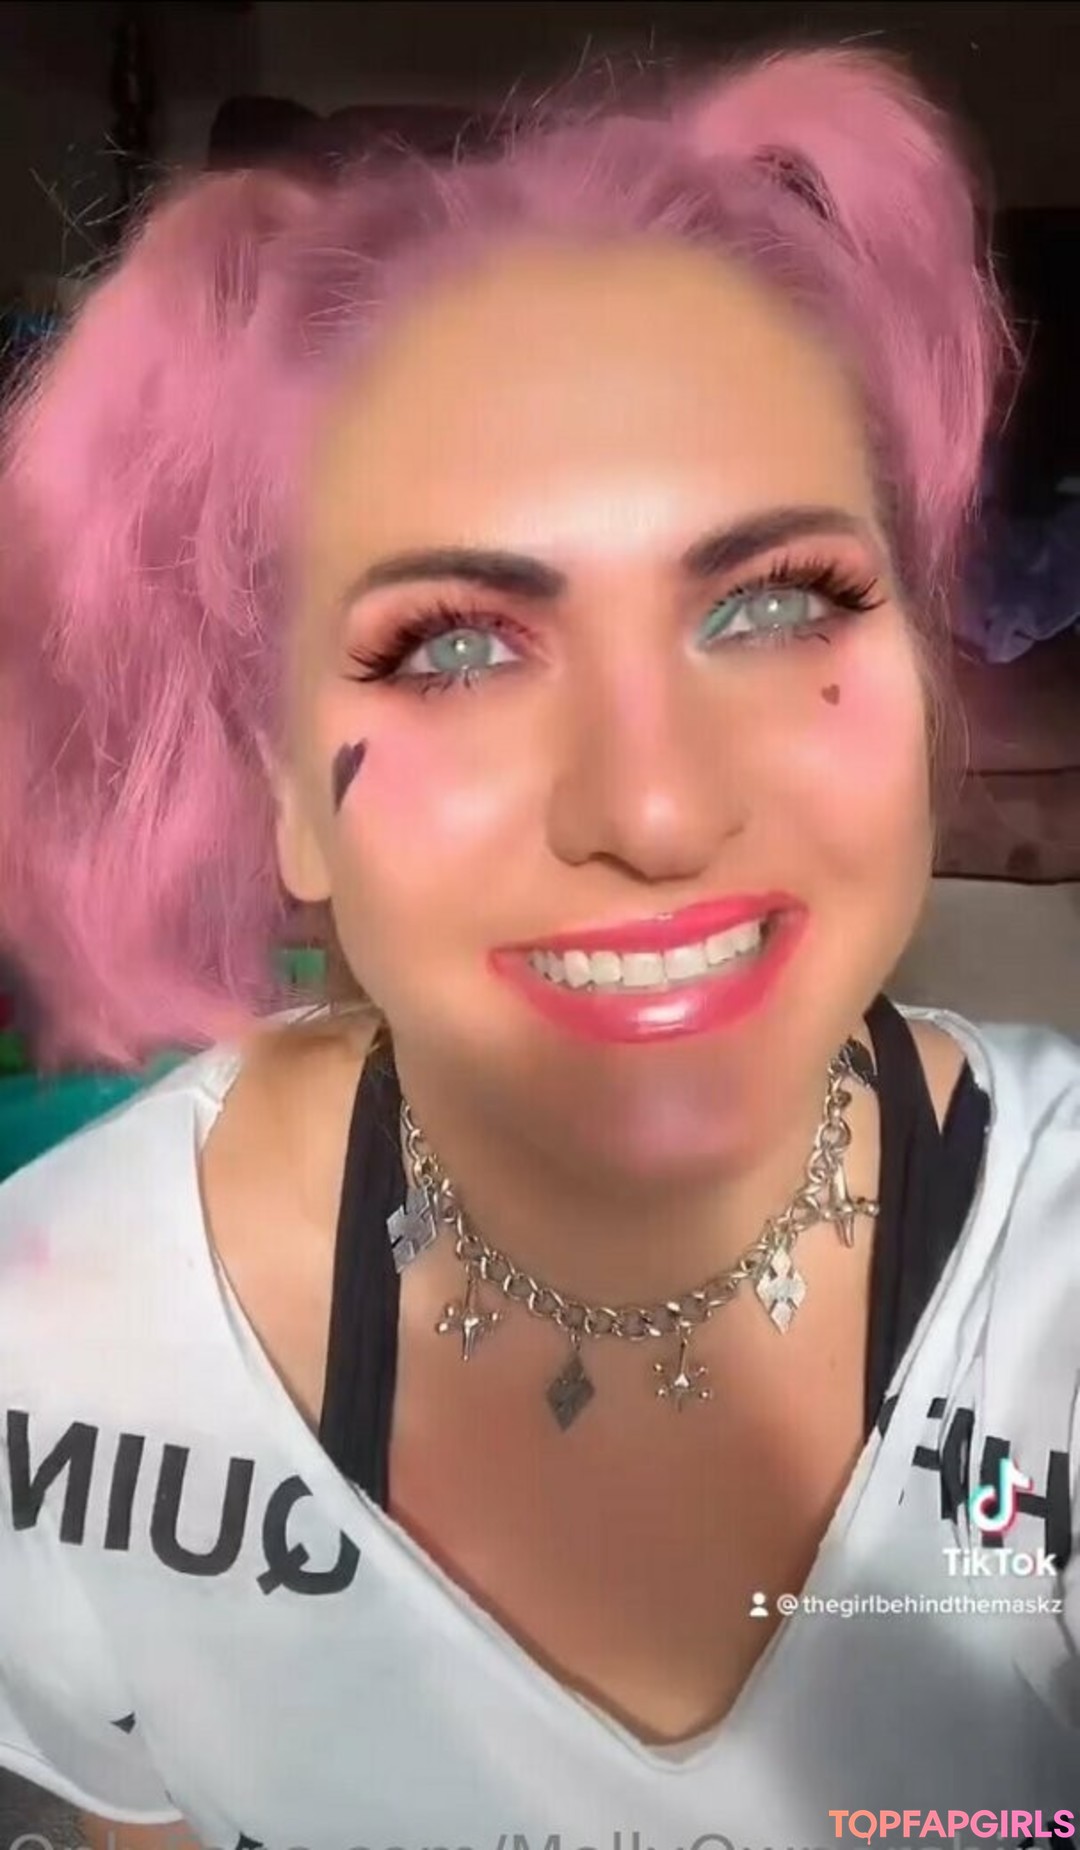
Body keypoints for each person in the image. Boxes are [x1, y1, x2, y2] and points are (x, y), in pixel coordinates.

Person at [0, 42, 1077, 1850]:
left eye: (774, 601)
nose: (653, 808)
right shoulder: (61, 1357)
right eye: (456, 647)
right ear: (280, 787)